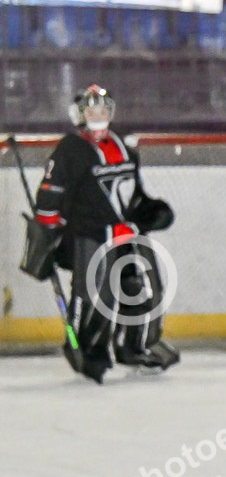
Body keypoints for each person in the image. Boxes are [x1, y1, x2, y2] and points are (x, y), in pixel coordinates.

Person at [26, 84, 179, 382]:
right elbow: (50, 193)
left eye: (103, 109)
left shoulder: (124, 149)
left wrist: (150, 211)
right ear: (80, 114)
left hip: (127, 234)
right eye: (91, 110)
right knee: (97, 295)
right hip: (89, 234)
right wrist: (47, 230)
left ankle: (135, 346)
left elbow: (132, 194)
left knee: (143, 289)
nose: (98, 115)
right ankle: (90, 351)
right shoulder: (70, 149)